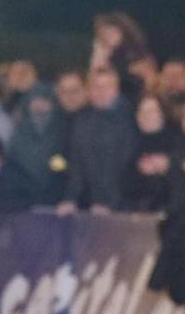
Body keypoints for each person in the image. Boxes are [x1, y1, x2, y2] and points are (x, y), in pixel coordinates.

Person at [57, 69, 137, 215]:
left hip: (123, 209)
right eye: (95, 87)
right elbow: (77, 166)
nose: (100, 92)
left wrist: (111, 204)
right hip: (92, 208)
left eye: (105, 87)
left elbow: (127, 168)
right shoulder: (81, 121)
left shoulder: (131, 120)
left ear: (116, 90)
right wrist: (70, 199)